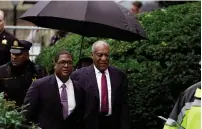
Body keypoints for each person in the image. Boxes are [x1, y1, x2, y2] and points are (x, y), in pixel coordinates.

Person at [71, 41, 130, 129]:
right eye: (100, 55)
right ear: (92, 55)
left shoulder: (120, 75)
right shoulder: (78, 76)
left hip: (113, 124)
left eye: (106, 55)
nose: (104, 58)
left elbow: (124, 105)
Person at [23, 50, 86, 129]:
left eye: (69, 63)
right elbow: (26, 115)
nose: (66, 65)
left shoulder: (79, 89)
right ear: (55, 64)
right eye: (62, 62)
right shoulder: (39, 86)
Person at [0, 40, 46, 106]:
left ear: (27, 55)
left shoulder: (38, 71)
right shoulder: (2, 71)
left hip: (31, 110)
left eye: (18, 54)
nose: (14, 57)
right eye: (12, 53)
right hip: (9, 112)